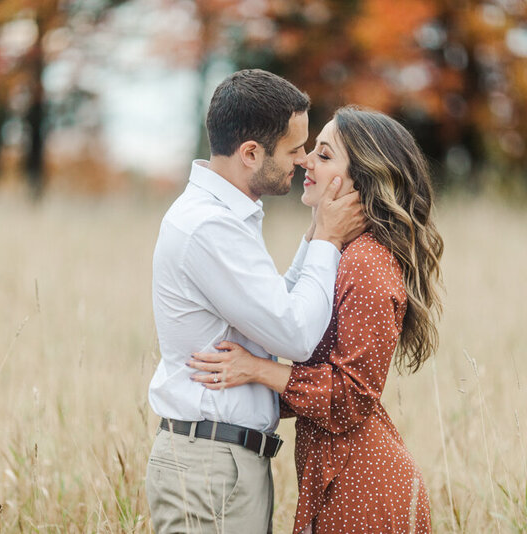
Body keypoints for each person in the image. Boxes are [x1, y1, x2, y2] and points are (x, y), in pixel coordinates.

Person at [189, 106, 445, 533]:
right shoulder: (342, 253)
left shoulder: (365, 262)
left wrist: (258, 370)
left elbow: (352, 398)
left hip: (363, 487)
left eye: (324, 156)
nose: (306, 160)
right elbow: (290, 324)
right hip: (335, 475)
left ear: (359, 179)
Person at [145, 70, 366, 533]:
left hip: (221, 461)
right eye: (294, 149)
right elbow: (296, 334)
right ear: (251, 154)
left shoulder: (224, 217)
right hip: (210, 466)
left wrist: (313, 236)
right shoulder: (210, 227)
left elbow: (270, 309)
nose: (304, 161)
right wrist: (327, 237)